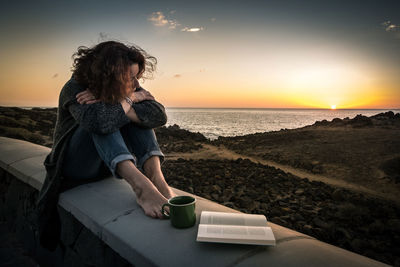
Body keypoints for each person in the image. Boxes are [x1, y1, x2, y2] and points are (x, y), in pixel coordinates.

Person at [36, 40, 176, 251]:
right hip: (74, 167)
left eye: (136, 77)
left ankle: (156, 178)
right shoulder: (73, 87)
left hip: (106, 166)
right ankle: (141, 187)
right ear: (110, 74)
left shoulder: (127, 87)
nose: (136, 84)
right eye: (130, 78)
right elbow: (99, 122)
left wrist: (127, 98)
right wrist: (129, 99)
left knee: (134, 116)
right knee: (104, 117)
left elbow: (158, 115)